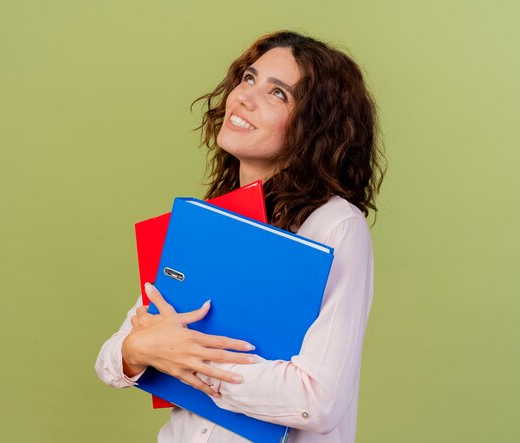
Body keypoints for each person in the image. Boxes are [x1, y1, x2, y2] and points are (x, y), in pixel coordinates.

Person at [95, 30, 385, 443]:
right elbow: (112, 358)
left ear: (315, 127)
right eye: (248, 78)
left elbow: (317, 398)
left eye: (277, 93)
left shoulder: (335, 226)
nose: (244, 98)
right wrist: (138, 351)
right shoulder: (204, 222)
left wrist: (182, 356)